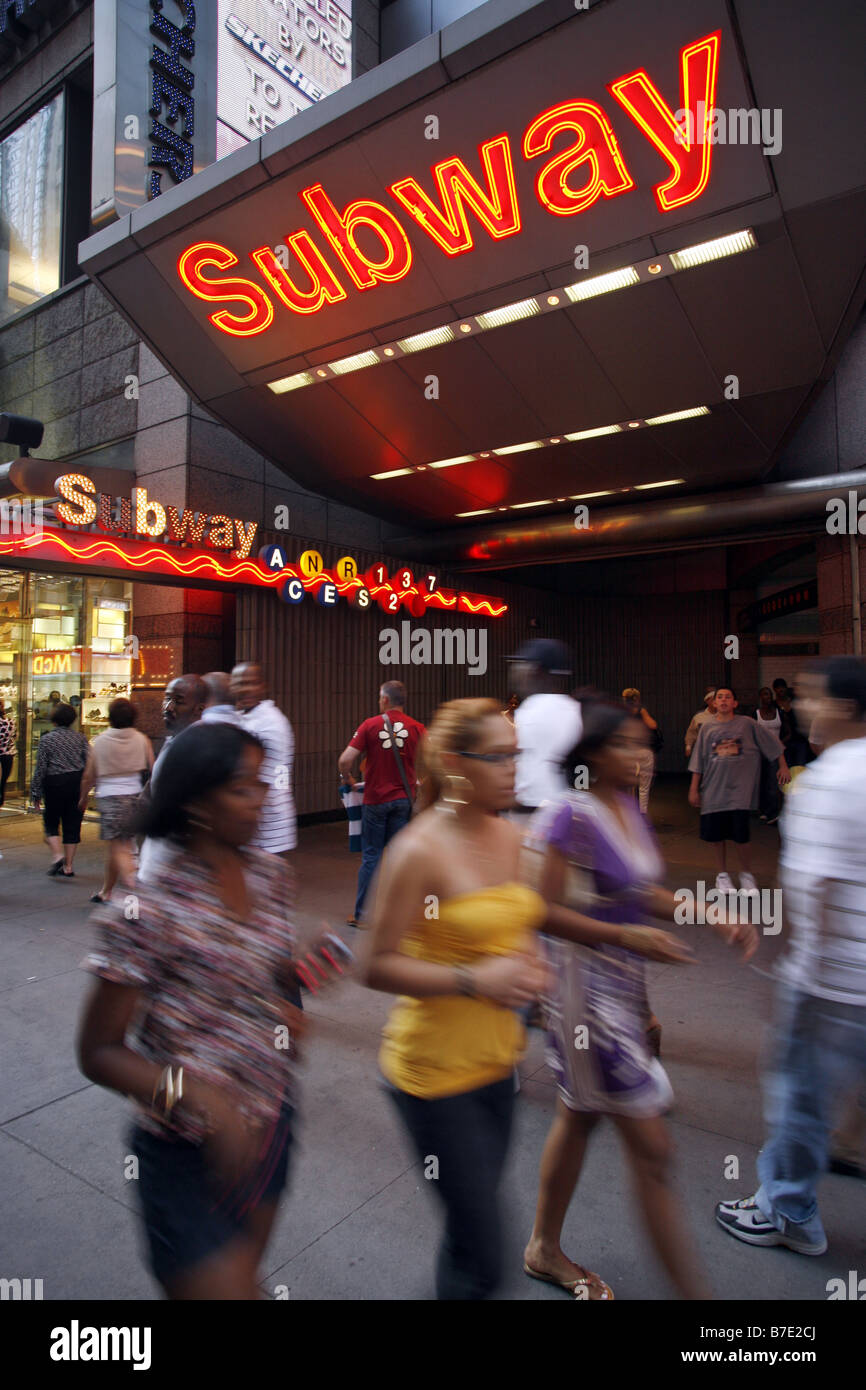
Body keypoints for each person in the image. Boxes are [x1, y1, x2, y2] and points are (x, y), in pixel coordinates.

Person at [76, 721, 339, 1299]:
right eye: (244, 786)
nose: (264, 797)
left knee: (245, 1278)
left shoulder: (271, 877)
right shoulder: (145, 910)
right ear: (197, 801)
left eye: (263, 782)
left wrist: (292, 986)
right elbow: (97, 1051)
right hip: (184, 1154)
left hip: (270, 1123)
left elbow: (263, 975)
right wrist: (196, 1097)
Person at [522, 697, 757, 1299]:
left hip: (623, 989)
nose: (641, 754)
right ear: (595, 755)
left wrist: (708, 912)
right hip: (584, 996)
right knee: (652, 1152)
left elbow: (643, 892)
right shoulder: (567, 817)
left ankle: (543, 1247)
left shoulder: (626, 806)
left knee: (577, 1117)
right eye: (626, 744)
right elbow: (543, 914)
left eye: (642, 744)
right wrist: (624, 935)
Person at [363, 698, 548, 1299]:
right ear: (452, 762)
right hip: (431, 1075)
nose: (512, 769)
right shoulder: (418, 849)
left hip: (499, 1064)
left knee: (471, 1236)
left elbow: (514, 925)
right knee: (484, 1253)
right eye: (497, 757)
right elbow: (373, 963)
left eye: (515, 755)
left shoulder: (512, 838)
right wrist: (474, 980)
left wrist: (529, 959)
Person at [715, 657, 866, 1254]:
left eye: (811, 697)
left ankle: (788, 1210)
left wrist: (798, 972)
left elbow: (813, 893)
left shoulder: (826, 783)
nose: (802, 706)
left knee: (798, 1092)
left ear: (845, 707)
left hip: (833, 982)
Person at [338, 680, 425, 928]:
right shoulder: (417, 728)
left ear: (385, 700)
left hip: (375, 800)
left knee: (372, 856)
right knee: (399, 857)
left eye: (379, 698)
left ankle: (362, 916)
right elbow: (435, 762)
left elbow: (345, 760)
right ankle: (401, 915)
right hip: (403, 801)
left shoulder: (370, 725)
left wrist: (349, 778)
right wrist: (419, 783)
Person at [688, 686, 790, 895]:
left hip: (739, 791)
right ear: (714, 703)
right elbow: (698, 760)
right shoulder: (707, 728)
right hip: (714, 790)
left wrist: (783, 765)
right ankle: (722, 875)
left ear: (735, 703)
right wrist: (693, 789)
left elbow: (773, 742)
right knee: (717, 837)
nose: (723, 700)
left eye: (728, 697)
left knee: (741, 835)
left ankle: (746, 875)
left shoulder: (747, 724)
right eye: (720, 697)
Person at [79, 698, 154, 903]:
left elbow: (89, 776)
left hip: (110, 798)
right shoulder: (142, 739)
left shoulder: (100, 741)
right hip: (135, 797)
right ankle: (107, 891)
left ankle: (137, 889)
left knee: (119, 848)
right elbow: (153, 770)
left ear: (110, 717)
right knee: (122, 846)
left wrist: (84, 797)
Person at [137, 674, 207, 885]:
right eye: (166, 699)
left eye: (178, 701)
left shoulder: (197, 748)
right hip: (157, 867)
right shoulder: (176, 740)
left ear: (199, 709)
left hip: (177, 876)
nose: (167, 707)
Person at [507, 639, 582, 820]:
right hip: (564, 809)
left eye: (523, 667)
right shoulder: (574, 708)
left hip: (533, 815)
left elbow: (525, 781)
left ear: (537, 671)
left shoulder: (535, 709)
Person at [230, 663, 296, 857]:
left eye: (251, 683)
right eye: (240, 683)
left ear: (263, 686)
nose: (245, 689)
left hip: (269, 823)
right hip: (253, 822)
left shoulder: (268, 721)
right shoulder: (245, 717)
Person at [31, 703, 90, 877]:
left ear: (54, 719)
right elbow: (89, 762)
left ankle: (57, 855)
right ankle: (69, 867)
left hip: (54, 783)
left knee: (51, 822)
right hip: (76, 782)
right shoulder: (80, 738)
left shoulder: (46, 739)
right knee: (72, 824)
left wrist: (35, 793)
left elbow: (40, 768)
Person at [622, 688, 659, 815]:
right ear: (637, 698)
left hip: (627, 751)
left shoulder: (621, 712)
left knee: (628, 784)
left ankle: (628, 812)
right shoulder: (641, 711)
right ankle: (643, 813)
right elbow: (653, 725)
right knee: (644, 786)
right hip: (644, 750)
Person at [753, 687, 782, 824]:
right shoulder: (756, 714)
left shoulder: (778, 712)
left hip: (774, 752)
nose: (768, 697)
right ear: (760, 697)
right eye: (765, 694)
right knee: (761, 781)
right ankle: (763, 810)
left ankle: (773, 812)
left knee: (773, 782)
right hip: (759, 751)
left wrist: (780, 743)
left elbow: (787, 730)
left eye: (770, 694)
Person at [684, 687, 716, 758]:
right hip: (703, 752)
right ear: (707, 701)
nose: (716, 701)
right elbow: (691, 732)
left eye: (717, 698)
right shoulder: (699, 717)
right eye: (713, 699)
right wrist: (688, 747)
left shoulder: (725, 716)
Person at [0, 696, 15, 806]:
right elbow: (14, 737)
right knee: (3, 780)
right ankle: (1, 800)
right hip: (7, 753)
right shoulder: (10, 722)